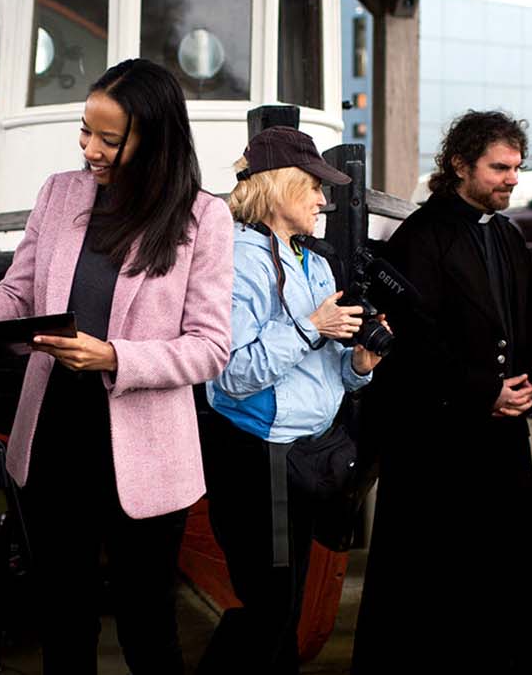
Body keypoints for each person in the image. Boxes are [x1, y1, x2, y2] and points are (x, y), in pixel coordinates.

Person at [0, 58, 233, 675]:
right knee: (63, 626)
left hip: (147, 457)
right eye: (85, 131)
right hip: (52, 443)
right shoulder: (59, 193)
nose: (90, 150)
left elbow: (210, 347)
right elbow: (16, 305)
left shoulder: (203, 217)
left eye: (110, 139)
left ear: (155, 139)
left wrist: (114, 357)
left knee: (148, 632)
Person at [355, 110, 532, 675]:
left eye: (516, 168)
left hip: (502, 438)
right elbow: (410, 342)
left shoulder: (509, 235)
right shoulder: (421, 236)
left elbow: (531, 327)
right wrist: (483, 391)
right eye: (499, 168)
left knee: (501, 577)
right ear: (460, 164)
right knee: (435, 585)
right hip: (437, 443)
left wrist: (529, 387)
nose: (511, 179)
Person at [197, 127, 381, 675]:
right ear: (280, 187)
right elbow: (232, 375)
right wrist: (309, 327)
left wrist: (359, 365)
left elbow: (327, 374)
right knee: (269, 609)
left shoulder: (313, 261)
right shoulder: (237, 259)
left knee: (284, 608)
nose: (323, 200)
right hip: (257, 457)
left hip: (304, 455)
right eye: (314, 187)